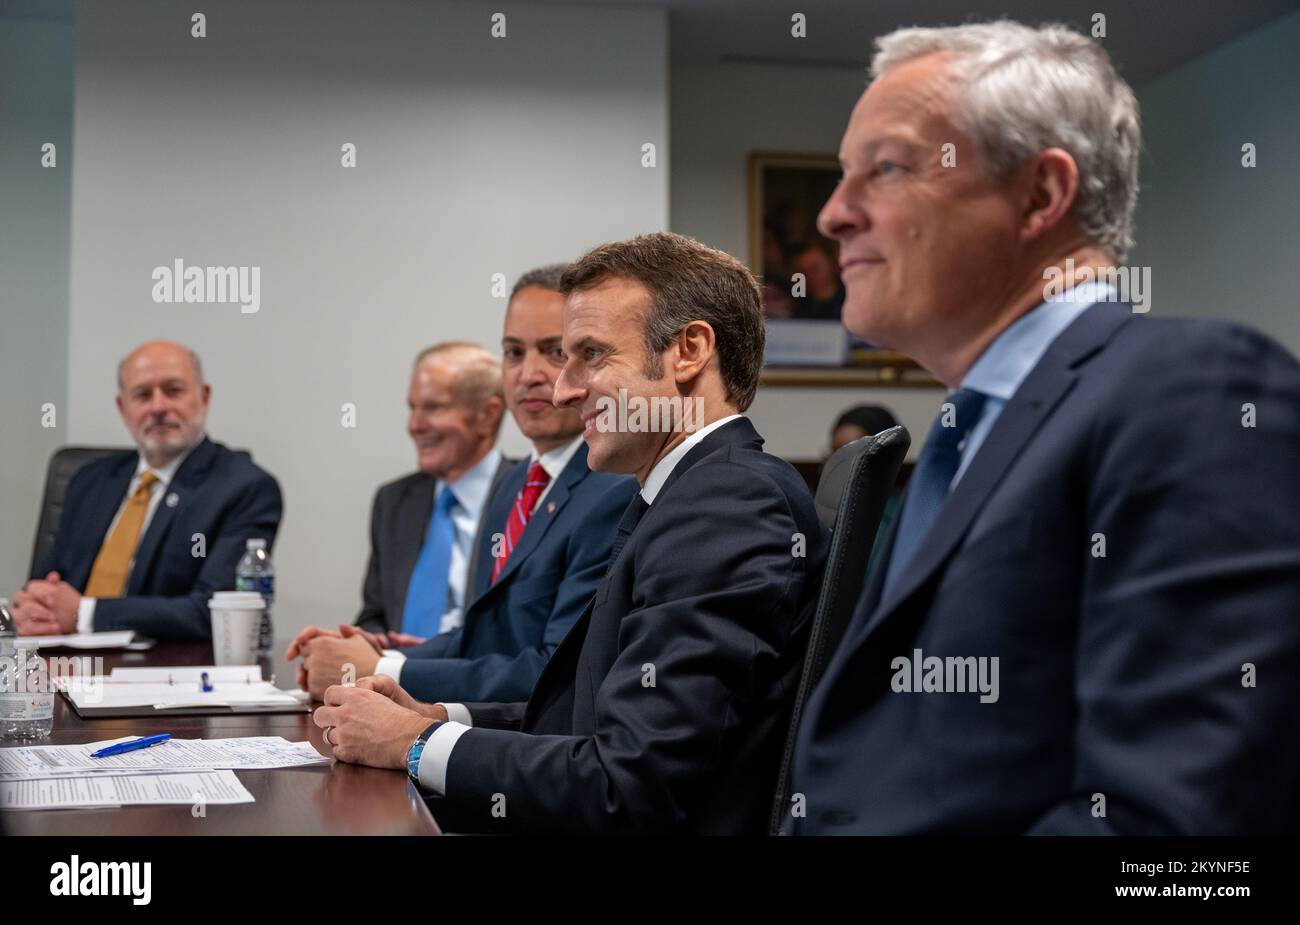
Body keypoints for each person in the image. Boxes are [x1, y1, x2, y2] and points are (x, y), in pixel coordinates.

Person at [788, 20, 1300, 834]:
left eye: (884, 169)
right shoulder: (969, 431)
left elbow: (1180, 839)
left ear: (1040, 195)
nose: (832, 215)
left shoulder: (1192, 390)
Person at [311, 232, 826, 834]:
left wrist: (416, 743)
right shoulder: (687, 493)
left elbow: (631, 782)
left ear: (689, 350)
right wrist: (439, 715)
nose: (562, 389)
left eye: (592, 356)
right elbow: (589, 714)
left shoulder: (728, 504)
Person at [287, 266, 637, 702]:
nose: (528, 374)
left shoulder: (615, 490)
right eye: (513, 352)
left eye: (554, 352)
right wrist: (373, 650)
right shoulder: (513, 487)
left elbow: (558, 673)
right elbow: (481, 637)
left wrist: (383, 668)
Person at [12, 341, 282, 641]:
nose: (158, 407)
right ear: (122, 407)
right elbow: (45, 583)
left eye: (173, 390)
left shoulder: (244, 488)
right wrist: (32, 607)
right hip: (61, 664)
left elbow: (214, 612)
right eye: (142, 395)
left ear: (204, 397)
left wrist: (83, 613)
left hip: (165, 672)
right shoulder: (88, 481)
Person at [285, 343, 511, 695]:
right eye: (412, 408)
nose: (415, 425)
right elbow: (375, 613)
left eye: (434, 408)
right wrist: (359, 644)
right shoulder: (394, 501)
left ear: (487, 415)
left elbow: (515, 636)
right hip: (389, 690)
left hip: (480, 697)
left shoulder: (525, 499)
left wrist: (427, 654)